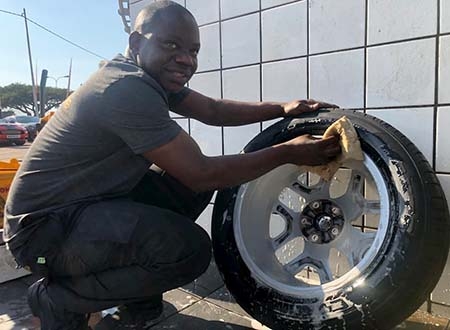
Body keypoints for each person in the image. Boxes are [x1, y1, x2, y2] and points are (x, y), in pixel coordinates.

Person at [3, 1, 341, 329]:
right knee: (188, 251)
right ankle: (58, 298)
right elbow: (201, 172)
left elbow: (213, 110)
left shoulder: (148, 77)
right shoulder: (125, 88)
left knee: (182, 189)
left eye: (193, 50)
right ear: (136, 42)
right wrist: (286, 152)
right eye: (171, 45)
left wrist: (282, 108)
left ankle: (137, 298)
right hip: (42, 236)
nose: (185, 59)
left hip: (83, 206)